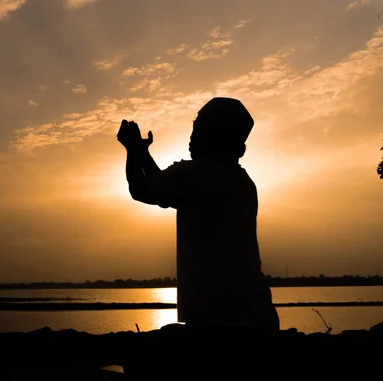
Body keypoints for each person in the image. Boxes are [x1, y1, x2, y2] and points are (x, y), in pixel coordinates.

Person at [117, 97, 279, 330]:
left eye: (198, 130)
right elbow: (167, 186)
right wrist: (140, 152)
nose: (191, 138)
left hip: (220, 322)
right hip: (257, 315)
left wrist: (133, 150)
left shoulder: (194, 175)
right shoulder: (242, 181)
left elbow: (143, 189)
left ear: (216, 136)